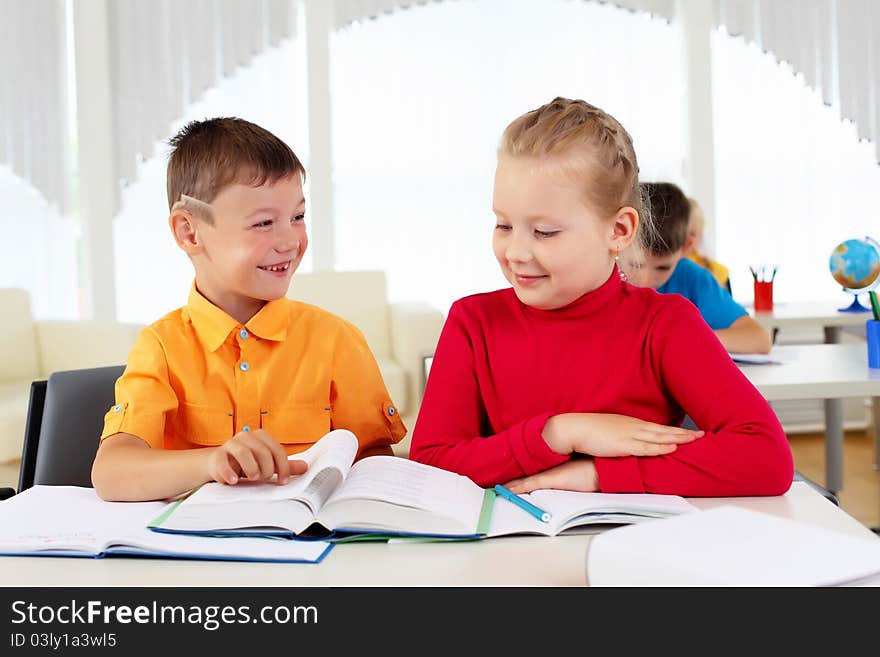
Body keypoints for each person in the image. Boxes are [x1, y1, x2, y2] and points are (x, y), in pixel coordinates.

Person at [409, 97, 792, 497]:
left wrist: (597, 475)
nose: (516, 252)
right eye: (503, 225)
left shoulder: (666, 323)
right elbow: (430, 464)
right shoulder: (473, 322)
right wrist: (560, 433)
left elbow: (766, 457)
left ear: (619, 231)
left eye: (544, 232)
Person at [92, 118, 405, 501]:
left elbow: (374, 466)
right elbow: (111, 473)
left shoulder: (337, 341)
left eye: (298, 217)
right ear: (189, 232)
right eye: (263, 223)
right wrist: (211, 463)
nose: (290, 240)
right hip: (195, 556)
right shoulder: (161, 347)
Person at [623, 182, 772, 354]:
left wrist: (684, 337)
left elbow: (759, 339)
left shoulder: (692, 278)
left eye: (663, 268)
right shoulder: (601, 276)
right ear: (620, 239)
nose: (646, 281)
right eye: (636, 264)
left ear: (686, 248)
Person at [683, 196, 731, 292]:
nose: (688, 240)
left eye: (692, 234)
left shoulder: (718, 271)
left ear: (700, 234)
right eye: (683, 234)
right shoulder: (666, 270)